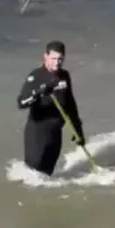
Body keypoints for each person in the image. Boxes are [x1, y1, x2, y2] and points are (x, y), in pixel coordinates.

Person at [15, 40, 86, 176]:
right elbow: (21, 103)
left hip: (55, 133)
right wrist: (39, 92)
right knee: (33, 174)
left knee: (47, 176)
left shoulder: (64, 76)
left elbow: (70, 104)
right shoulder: (35, 76)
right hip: (37, 133)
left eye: (60, 59)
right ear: (45, 57)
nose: (57, 63)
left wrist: (78, 129)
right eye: (53, 58)